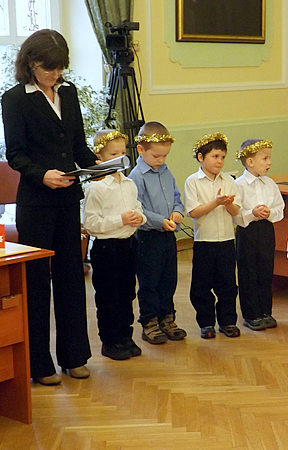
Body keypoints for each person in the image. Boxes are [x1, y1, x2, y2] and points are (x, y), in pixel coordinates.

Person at [2, 29, 95, 385]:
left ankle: (75, 357)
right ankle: (38, 364)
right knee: (36, 282)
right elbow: (16, 155)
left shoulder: (68, 93)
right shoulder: (15, 99)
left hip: (68, 199)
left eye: (60, 68)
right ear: (30, 63)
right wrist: (42, 175)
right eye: (48, 68)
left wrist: (100, 167)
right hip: (36, 202)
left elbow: (78, 145)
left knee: (71, 276)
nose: (55, 75)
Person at [83, 130, 146, 360]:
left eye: (122, 152)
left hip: (128, 246)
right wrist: (120, 220)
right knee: (109, 297)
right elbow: (90, 224)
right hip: (107, 249)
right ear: (99, 157)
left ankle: (125, 336)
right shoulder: (96, 188)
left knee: (127, 294)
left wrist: (139, 218)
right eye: (113, 154)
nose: (119, 158)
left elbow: (137, 207)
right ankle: (110, 341)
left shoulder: (129, 184)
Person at [128, 122, 187, 345]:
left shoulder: (166, 172)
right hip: (148, 237)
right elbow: (137, 209)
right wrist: (159, 221)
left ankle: (167, 318)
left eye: (165, 155)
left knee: (168, 279)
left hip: (167, 236)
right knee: (149, 282)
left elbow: (177, 198)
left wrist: (177, 212)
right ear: (140, 150)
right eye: (156, 156)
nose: (161, 160)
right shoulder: (137, 177)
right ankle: (149, 321)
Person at [185, 133, 242, 339]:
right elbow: (193, 212)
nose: (219, 161)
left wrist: (228, 203)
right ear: (201, 157)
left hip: (226, 240)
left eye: (222, 157)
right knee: (201, 285)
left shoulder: (228, 180)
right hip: (204, 241)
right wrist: (216, 203)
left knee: (227, 284)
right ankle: (206, 322)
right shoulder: (193, 181)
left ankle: (227, 322)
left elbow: (236, 211)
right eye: (215, 156)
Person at [234, 139, 285, 331]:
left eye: (269, 158)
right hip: (247, 231)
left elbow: (279, 207)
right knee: (248, 271)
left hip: (266, 230)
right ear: (250, 162)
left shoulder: (270, 183)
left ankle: (265, 311)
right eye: (265, 158)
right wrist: (252, 213)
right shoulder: (239, 185)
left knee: (265, 269)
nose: (269, 162)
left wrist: (269, 212)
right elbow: (236, 214)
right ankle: (251, 314)